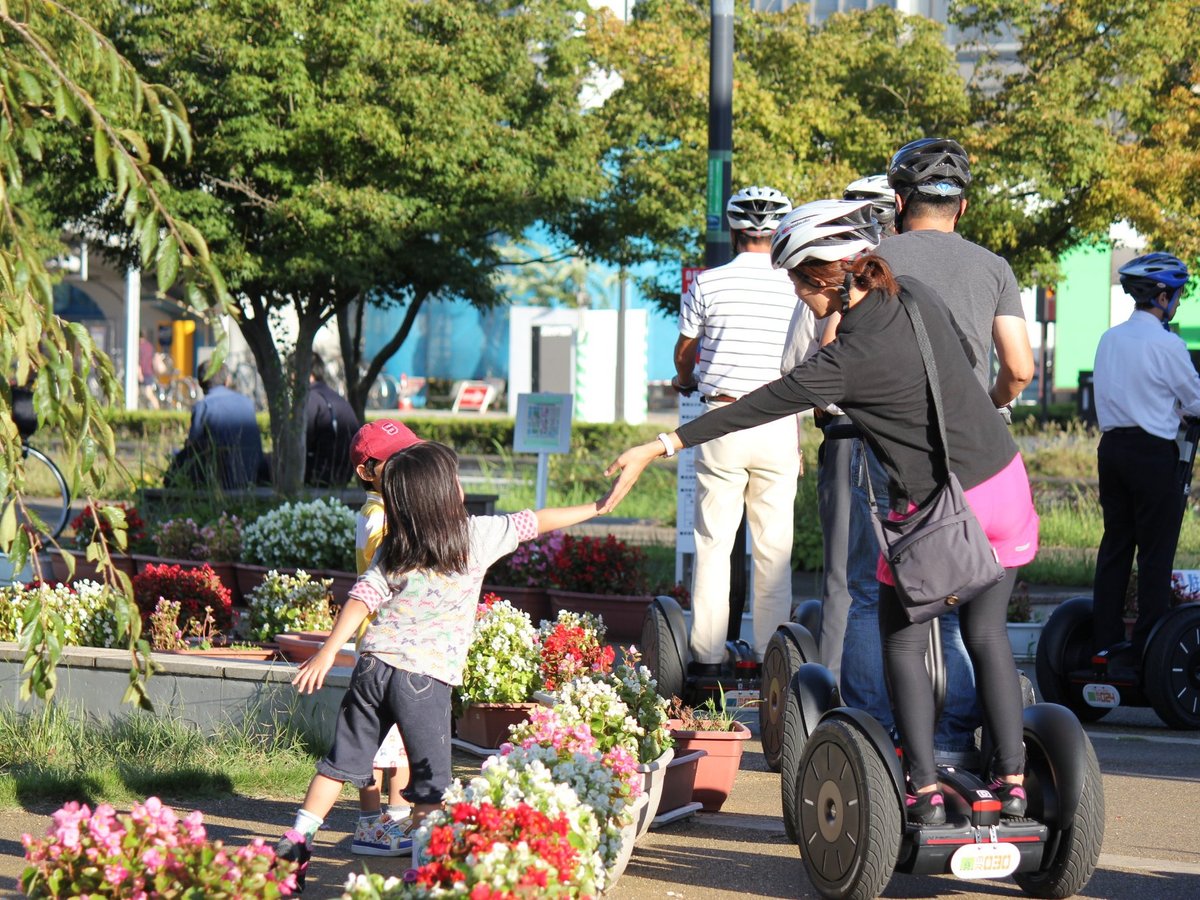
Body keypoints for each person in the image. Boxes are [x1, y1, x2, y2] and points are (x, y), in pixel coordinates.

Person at [602, 200, 1038, 825]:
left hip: (939, 513)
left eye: (797, 286)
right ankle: (1015, 782)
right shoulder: (913, 294)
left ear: (819, 280)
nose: (798, 300)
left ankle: (922, 788)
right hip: (1005, 485)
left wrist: (661, 444)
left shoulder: (841, 364)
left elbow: (757, 404)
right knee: (988, 634)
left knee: (902, 636)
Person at [275, 440, 610, 889]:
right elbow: (537, 521)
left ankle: (295, 844)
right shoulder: (476, 535)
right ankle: (424, 879)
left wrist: (329, 650)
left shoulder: (397, 543)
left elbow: (362, 597)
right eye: (453, 477)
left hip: (373, 668)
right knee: (432, 784)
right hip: (424, 679)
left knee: (340, 763)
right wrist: (596, 506)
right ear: (444, 492)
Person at [831, 137, 1035, 764]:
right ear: (963, 208)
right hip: (980, 455)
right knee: (967, 606)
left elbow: (838, 353)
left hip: (895, 453)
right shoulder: (992, 267)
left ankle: (880, 737)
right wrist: (992, 403)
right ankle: (956, 740)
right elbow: (1020, 368)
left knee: (880, 596)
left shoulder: (872, 262)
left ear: (896, 201)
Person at [672, 184, 805, 671]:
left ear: (732, 229)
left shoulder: (707, 284)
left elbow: (685, 352)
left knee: (713, 543)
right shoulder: (797, 283)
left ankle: (707, 658)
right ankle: (774, 662)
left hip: (721, 421)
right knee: (774, 548)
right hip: (778, 418)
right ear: (779, 231)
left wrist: (685, 380)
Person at [784, 175, 897, 681]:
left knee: (844, 579)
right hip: (916, 441)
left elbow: (794, 368)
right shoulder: (916, 277)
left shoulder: (832, 281)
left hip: (849, 434)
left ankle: (834, 692)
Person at [1091, 252, 1200, 673]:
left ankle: (1105, 643)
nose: (1178, 302)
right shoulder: (1167, 344)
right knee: (1156, 555)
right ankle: (1149, 651)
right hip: (1152, 455)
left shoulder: (1109, 339)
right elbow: (1194, 399)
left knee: (1116, 546)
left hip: (1112, 451)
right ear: (1161, 296)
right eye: (1177, 295)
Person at [337, 419, 425, 857]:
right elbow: (389, 561)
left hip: (404, 642)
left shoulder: (394, 510)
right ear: (367, 470)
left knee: (403, 737)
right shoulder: (377, 515)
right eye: (394, 460)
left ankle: (396, 814)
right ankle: (371, 822)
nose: (406, 466)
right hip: (380, 643)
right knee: (373, 743)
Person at [166, 363, 263, 490]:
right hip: (253, 472)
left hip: (220, 478)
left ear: (200, 384)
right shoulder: (247, 403)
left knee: (180, 460)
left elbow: (192, 445)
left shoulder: (204, 406)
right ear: (227, 380)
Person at [305, 354, 360, 487]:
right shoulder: (333, 396)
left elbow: (302, 439)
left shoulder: (312, 398)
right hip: (344, 472)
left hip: (320, 474)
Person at [138, 332, 159, 410]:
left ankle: (157, 409)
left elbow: (139, 362)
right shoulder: (150, 346)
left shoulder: (139, 347)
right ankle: (156, 409)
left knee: (147, 393)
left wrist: (139, 374)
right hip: (149, 372)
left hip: (143, 372)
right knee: (148, 393)